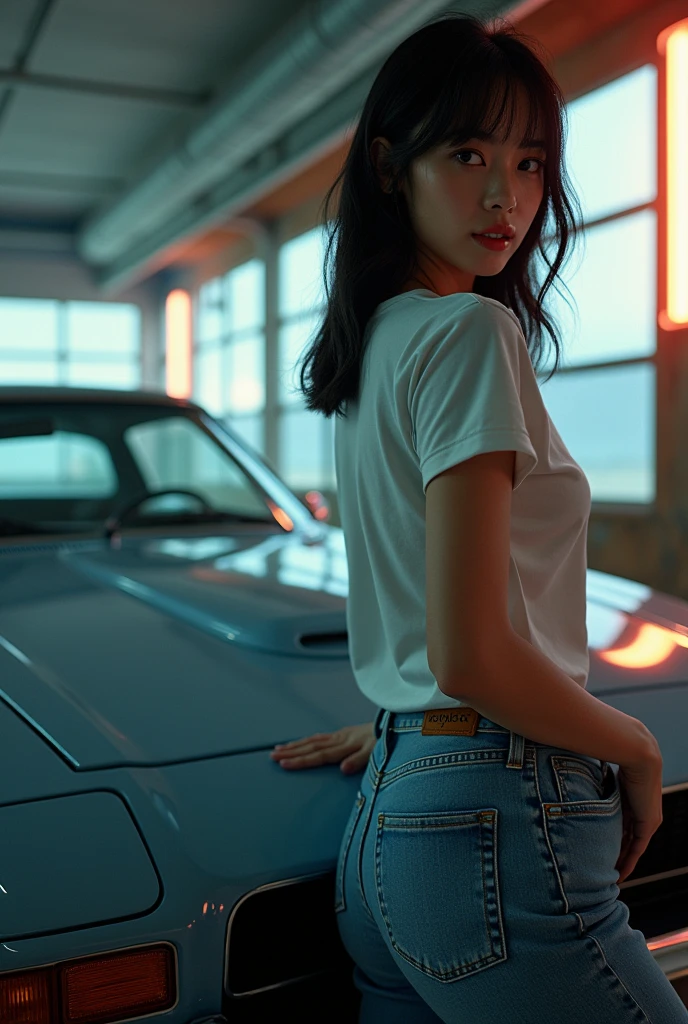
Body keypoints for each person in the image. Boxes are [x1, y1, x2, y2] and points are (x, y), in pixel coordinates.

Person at [269, 11, 688, 1024]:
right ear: (387, 166)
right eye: (467, 154)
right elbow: (469, 651)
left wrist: (406, 723)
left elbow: (433, 644)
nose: (506, 196)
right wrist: (630, 744)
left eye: (530, 161)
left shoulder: (375, 352)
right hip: (498, 819)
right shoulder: (467, 331)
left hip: (394, 824)